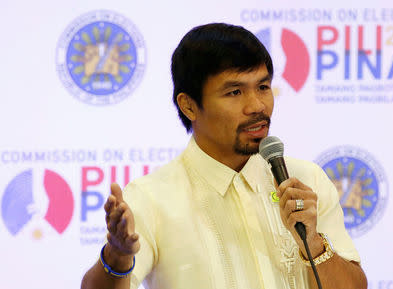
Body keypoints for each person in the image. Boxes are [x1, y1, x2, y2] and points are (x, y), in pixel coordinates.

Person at [81, 23, 367, 289]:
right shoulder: (152, 198)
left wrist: (314, 244)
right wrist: (117, 257)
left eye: (263, 87)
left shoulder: (305, 180)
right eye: (234, 92)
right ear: (189, 106)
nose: (257, 106)